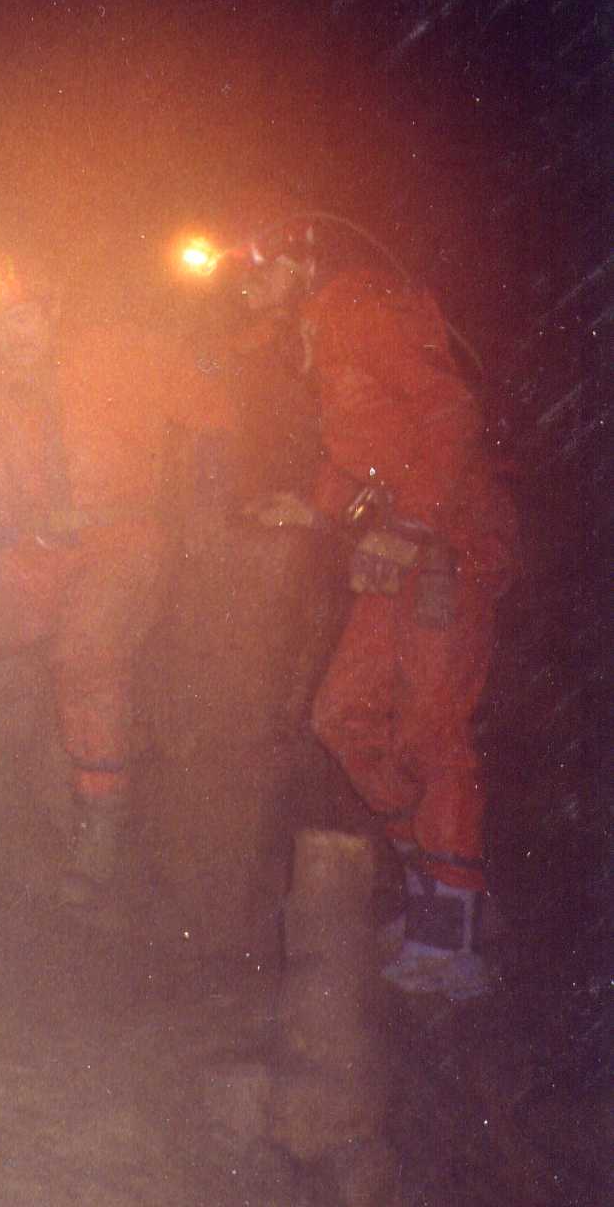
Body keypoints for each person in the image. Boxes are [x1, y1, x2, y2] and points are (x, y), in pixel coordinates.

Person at [239, 213, 518, 999]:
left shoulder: (363, 309)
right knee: (343, 715)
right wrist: (316, 508)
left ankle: (453, 942)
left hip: (450, 541)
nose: (247, 284)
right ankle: (443, 893)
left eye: (259, 265)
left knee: (432, 729)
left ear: (301, 260)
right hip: (402, 543)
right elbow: (362, 448)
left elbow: (450, 413)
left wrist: (416, 524)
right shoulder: (317, 333)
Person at [0, 263, 176, 904]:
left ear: (51, 313)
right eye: (0, 324)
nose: (11, 335)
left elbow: (203, 398)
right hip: (44, 552)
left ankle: (101, 825)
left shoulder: (108, 358)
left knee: (87, 646)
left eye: (22, 318)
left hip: (122, 539)